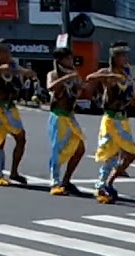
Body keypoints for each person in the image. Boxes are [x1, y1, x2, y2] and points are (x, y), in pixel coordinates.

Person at [84, 41, 135, 203]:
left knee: (129, 155)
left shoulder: (129, 73)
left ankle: (107, 182)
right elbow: (89, 77)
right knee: (112, 155)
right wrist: (108, 77)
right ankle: (103, 184)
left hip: (123, 119)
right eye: (122, 55)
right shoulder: (107, 72)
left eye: (126, 55)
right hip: (110, 119)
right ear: (114, 57)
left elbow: (133, 92)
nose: (125, 58)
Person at [0, 39, 34, 186]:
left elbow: (28, 72)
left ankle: (14, 172)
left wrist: (24, 72)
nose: (10, 54)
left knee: (21, 138)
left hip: (10, 108)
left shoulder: (13, 66)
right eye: (7, 52)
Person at [46, 46, 86, 196]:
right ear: (60, 60)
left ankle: (66, 180)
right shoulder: (53, 74)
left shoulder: (74, 74)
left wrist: (81, 86)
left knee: (80, 148)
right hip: (58, 116)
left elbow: (79, 91)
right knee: (58, 149)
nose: (71, 61)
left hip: (70, 116)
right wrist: (65, 79)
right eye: (68, 58)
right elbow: (50, 87)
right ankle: (54, 182)